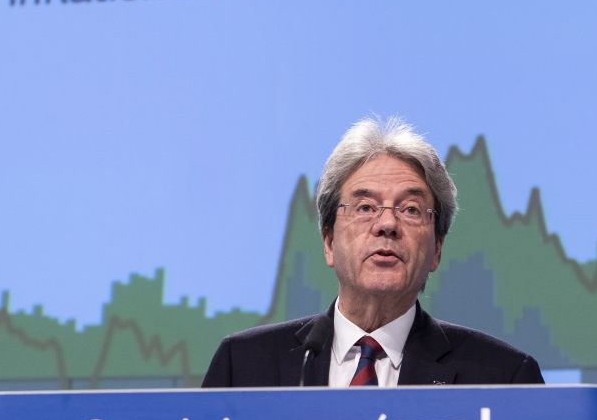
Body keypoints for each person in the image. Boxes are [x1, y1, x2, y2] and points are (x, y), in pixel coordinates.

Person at [202, 117, 544, 388]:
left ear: (437, 249)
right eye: (365, 207)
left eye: (411, 210)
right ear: (328, 242)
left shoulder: (504, 377)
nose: (387, 224)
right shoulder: (243, 367)